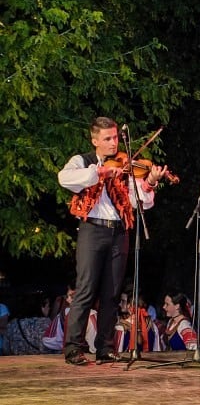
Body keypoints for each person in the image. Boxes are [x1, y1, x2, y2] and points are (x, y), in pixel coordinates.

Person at [57, 117, 164, 366]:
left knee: (112, 292)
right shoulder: (82, 162)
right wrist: (98, 172)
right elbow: (64, 179)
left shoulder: (125, 166)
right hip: (92, 230)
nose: (113, 143)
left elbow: (140, 202)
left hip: (119, 231)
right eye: (107, 139)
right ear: (95, 141)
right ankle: (73, 347)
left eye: (115, 137)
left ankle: (105, 347)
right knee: (85, 289)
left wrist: (150, 182)